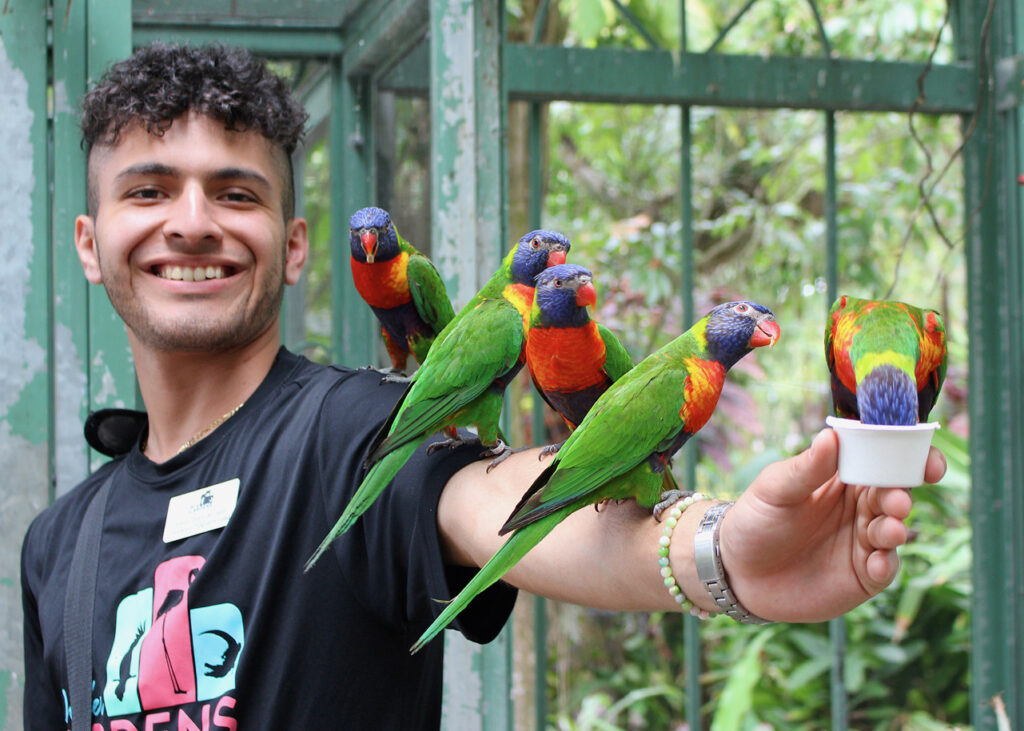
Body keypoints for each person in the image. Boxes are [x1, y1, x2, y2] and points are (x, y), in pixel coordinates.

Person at [21, 42, 946, 730]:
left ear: (294, 244)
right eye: (147, 190)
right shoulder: (58, 543)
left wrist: (720, 553)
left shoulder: (356, 433)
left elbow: (492, 498)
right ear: (89, 244)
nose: (191, 222)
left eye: (235, 192)